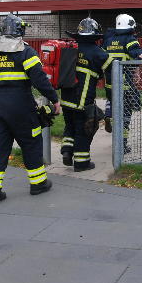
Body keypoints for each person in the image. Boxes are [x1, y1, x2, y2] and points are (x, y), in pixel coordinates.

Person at [0, 14, 61, 205]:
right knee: (31, 144)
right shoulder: (26, 53)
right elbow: (40, 80)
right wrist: (55, 99)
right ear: (20, 31)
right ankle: (38, 184)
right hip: (22, 108)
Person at [60, 18, 113, 171]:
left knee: (69, 126)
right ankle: (82, 163)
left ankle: (67, 152)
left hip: (66, 99)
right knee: (83, 130)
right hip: (82, 102)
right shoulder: (97, 52)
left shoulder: (72, 48)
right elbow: (113, 67)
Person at [103, 13, 142, 154]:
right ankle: (122, 145)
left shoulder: (108, 40)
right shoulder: (130, 39)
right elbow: (137, 52)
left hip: (110, 83)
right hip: (125, 84)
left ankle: (109, 113)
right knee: (126, 113)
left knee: (112, 101)